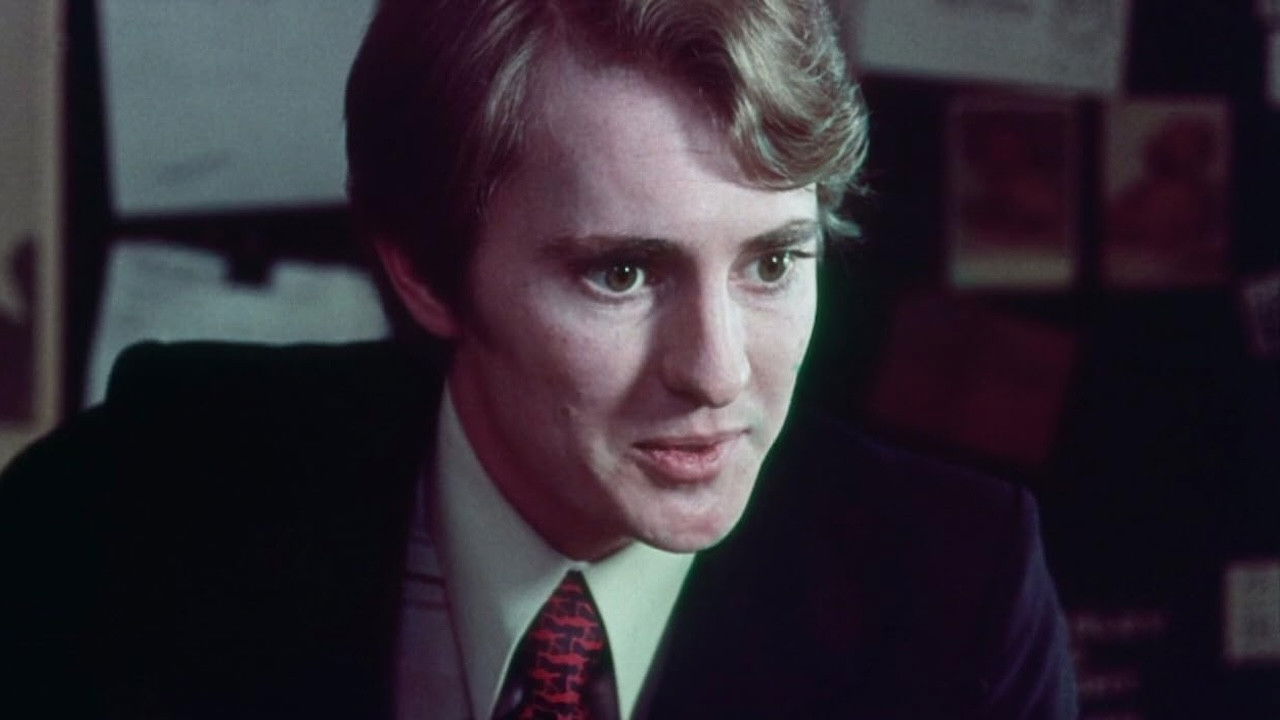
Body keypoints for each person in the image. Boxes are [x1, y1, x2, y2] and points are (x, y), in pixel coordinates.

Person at [0, 0, 1077, 717]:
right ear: (425, 273)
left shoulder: (957, 599)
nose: (715, 373)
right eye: (623, 274)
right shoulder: (140, 499)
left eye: (772, 263)